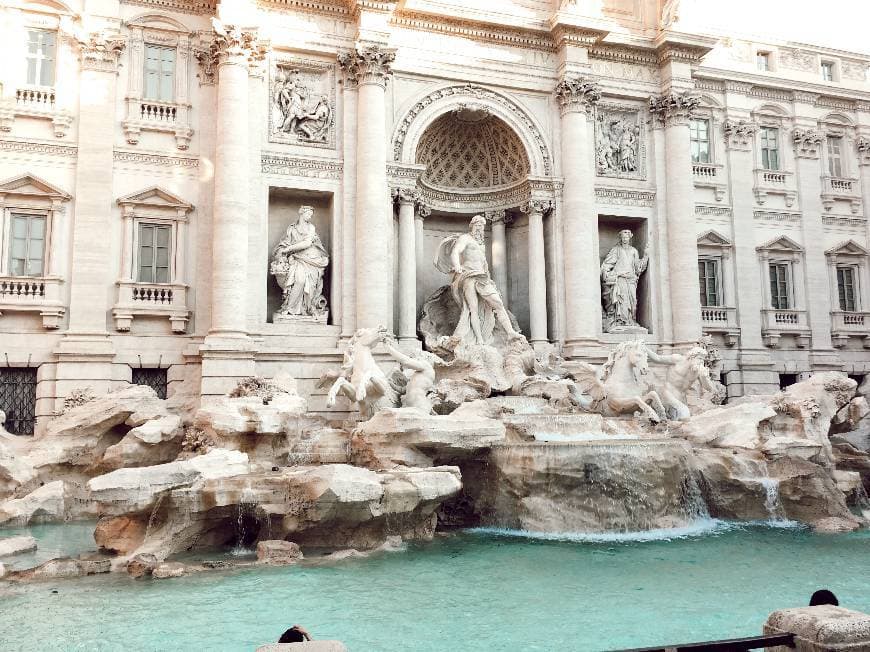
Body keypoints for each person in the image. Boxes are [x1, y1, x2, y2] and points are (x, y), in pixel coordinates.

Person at [434, 214, 523, 346]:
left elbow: (483, 262)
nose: (479, 228)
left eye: (481, 226)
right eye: (477, 225)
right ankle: (479, 339)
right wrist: (457, 266)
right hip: (468, 275)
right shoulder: (465, 238)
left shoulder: (480, 244)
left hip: (482, 276)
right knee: (472, 308)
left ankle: (510, 332)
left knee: (497, 303)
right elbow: (455, 252)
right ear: (472, 226)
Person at [600, 228, 649, 332]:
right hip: (620, 279)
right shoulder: (616, 250)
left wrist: (645, 255)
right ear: (620, 238)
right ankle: (620, 321)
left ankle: (630, 320)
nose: (624, 238)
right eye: (623, 237)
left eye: (626, 237)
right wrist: (609, 274)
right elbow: (607, 265)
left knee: (632, 302)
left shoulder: (633, 251)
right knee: (621, 301)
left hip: (631, 280)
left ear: (630, 237)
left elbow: (638, 268)